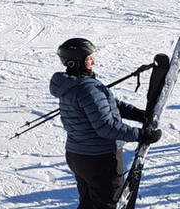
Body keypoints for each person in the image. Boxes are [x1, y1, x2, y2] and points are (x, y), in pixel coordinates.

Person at [50, 38, 160, 209]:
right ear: (75, 62)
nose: (93, 62)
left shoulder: (70, 85)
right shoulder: (87, 89)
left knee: (88, 204)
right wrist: (141, 135)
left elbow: (109, 104)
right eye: (89, 59)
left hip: (77, 156)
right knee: (107, 205)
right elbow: (106, 127)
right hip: (100, 159)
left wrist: (138, 114)